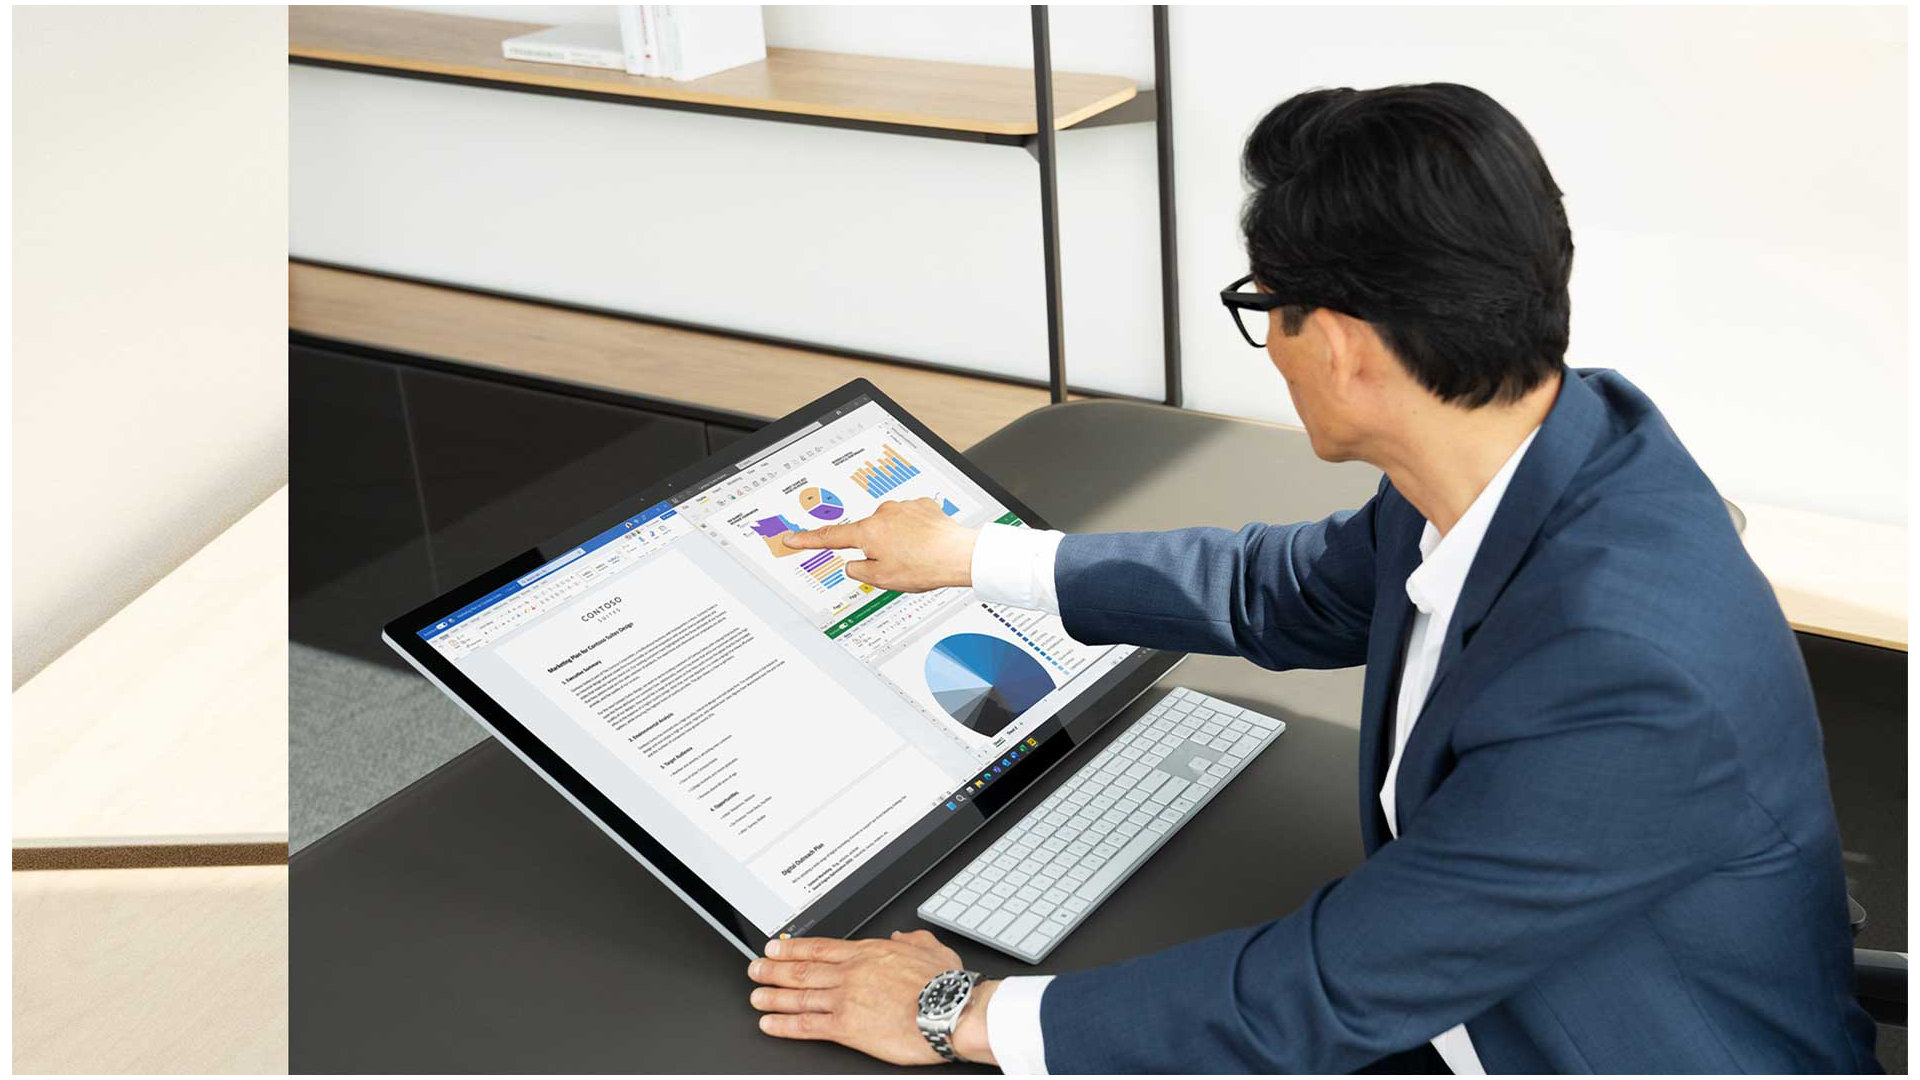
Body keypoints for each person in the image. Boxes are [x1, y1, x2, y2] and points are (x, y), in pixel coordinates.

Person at [745, 83, 1879, 1073]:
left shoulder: (1623, 667)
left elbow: (1325, 996)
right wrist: (975, 556)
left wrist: (956, 1012)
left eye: (1261, 310)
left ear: (1339, 344)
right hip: (1486, 996)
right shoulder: (1547, 452)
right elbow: (1286, 590)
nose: (1272, 347)